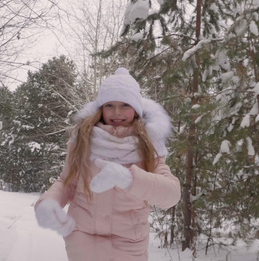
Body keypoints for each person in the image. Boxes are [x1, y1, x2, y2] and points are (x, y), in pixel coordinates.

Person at [34, 67, 181, 261]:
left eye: (125, 105)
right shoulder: (83, 139)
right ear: (100, 108)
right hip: (82, 239)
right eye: (109, 105)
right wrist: (48, 202)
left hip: (129, 243)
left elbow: (171, 195)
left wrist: (129, 179)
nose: (116, 112)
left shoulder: (149, 144)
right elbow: (67, 182)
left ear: (136, 109)